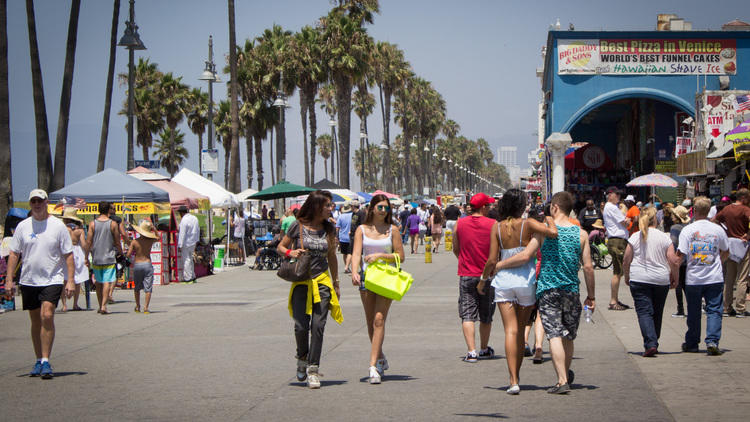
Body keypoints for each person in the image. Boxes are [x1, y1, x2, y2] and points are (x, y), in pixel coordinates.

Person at [479, 189, 557, 394]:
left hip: (503, 282)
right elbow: (553, 232)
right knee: (521, 330)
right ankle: (517, 375)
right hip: (525, 281)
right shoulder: (528, 224)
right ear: (522, 206)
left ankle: (512, 379)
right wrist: (549, 217)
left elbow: (492, 260)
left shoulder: (497, 227)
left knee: (509, 331)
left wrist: (482, 280)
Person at [5, 189, 75, 379]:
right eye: (33, 201)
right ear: (30, 204)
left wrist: (70, 281)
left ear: (46, 202)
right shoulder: (23, 227)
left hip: (52, 279)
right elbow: (14, 254)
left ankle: (46, 360)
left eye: (40, 201)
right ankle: (38, 359)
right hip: (29, 279)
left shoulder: (58, 226)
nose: (37, 204)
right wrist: (9, 280)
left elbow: (68, 254)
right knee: (36, 320)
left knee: (47, 314)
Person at [277, 190, 342, 389]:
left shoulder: (329, 229)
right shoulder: (298, 225)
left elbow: (331, 256)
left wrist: (336, 283)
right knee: (301, 326)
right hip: (302, 282)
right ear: (317, 206)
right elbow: (280, 246)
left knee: (318, 326)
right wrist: (291, 251)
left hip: (322, 282)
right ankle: (302, 358)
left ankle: (313, 369)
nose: (331, 208)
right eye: (328, 205)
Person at [535, 191, 596, 394]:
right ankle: (565, 373)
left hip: (548, 289)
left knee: (553, 335)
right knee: (568, 336)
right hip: (571, 290)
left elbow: (528, 255)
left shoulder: (544, 231)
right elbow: (588, 267)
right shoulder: (581, 234)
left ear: (554, 207)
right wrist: (591, 296)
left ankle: (562, 380)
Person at [350, 194, 406, 384]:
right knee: (369, 322)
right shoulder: (361, 230)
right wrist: (354, 272)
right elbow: (356, 252)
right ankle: (380, 356)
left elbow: (400, 255)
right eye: (380, 207)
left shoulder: (393, 230)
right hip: (367, 278)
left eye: (386, 208)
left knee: (379, 319)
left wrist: (382, 255)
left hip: (386, 278)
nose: (383, 211)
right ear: (371, 208)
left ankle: (373, 366)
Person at [622, 207, 679, 357]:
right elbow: (673, 260)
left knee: (644, 312)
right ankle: (653, 341)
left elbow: (626, 259)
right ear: (657, 220)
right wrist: (675, 277)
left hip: (639, 278)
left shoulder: (635, 236)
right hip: (660, 279)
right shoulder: (664, 237)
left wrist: (626, 275)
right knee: (657, 312)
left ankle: (650, 342)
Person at [677, 196, 728, 356]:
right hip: (714, 277)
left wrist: (673, 272)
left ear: (694, 210)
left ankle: (692, 342)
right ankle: (712, 340)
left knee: (693, 311)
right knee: (714, 310)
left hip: (694, 278)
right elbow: (726, 250)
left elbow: (681, 255)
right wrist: (718, 261)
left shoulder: (688, 230)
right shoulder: (717, 229)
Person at [453, 192, 497, 363]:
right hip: (488, 276)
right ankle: (484, 348)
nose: (491, 208)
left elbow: (455, 248)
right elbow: (496, 252)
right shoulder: (494, 224)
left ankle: (471, 352)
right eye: (489, 205)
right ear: (484, 207)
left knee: (468, 314)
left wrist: (464, 260)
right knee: (486, 315)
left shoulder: (460, 224)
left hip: (466, 274)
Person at [712, 188, 750, 318]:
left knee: (729, 278)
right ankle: (740, 308)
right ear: (744, 198)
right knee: (742, 278)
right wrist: (748, 235)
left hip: (729, 245)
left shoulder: (727, 209)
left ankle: (727, 307)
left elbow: (714, 220)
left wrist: (723, 231)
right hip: (742, 244)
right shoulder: (745, 210)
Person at [88, 201, 123, 314]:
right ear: (109, 210)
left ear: (98, 210)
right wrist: (121, 253)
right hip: (109, 256)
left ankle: (100, 305)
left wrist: (85, 256)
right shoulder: (113, 224)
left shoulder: (92, 224)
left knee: (98, 282)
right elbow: (117, 241)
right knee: (107, 281)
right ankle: (104, 306)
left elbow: (89, 241)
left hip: (97, 256)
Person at [602, 188, 632, 311]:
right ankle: (613, 301)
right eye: (617, 194)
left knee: (618, 271)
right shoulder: (612, 207)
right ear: (610, 195)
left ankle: (615, 299)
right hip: (617, 240)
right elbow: (624, 222)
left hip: (616, 240)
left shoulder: (610, 207)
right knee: (617, 272)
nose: (619, 196)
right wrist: (628, 220)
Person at [59, 207, 89, 312]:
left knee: (65, 279)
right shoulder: (79, 230)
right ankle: (75, 304)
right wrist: (87, 255)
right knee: (77, 280)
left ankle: (64, 304)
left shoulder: (63, 229)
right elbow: (84, 244)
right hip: (77, 251)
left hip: (65, 252)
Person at [126, 220, 158, 313]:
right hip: (147, 263)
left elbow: (128, 254)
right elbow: (158, 237)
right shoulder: (151, 240)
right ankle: (146, 307)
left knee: (137, 287)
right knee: (148, 287)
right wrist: (154, 229)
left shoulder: (135, 242)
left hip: (138, 264)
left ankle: (137, 306)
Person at [669, 206, 691, 318]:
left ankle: (680, 309)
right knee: (686, 285)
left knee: (678, 284)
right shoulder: (688, 227)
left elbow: (673, 243)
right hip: (688, 259)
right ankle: (691, 308)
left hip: (679, 259)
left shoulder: (675, 227)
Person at [177, 206, 200, 284]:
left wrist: (179, 245)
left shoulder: (184, 220)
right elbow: (198, 230)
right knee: (190, 259)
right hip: (193, 241)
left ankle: (188, 278)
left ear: (181, 213)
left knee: (186, 260)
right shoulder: (195, 218)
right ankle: (193, 276)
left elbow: (182, 233)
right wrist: (197, 240)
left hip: (186, 242)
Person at [336, 202, 354, 273]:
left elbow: (337, 228)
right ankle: (347, 266)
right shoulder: (352, 215)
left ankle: (346, 266)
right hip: (351, 236)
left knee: (344, 253)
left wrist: (337, 237)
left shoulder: (340, 216)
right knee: (351, 253)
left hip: (342, 237)